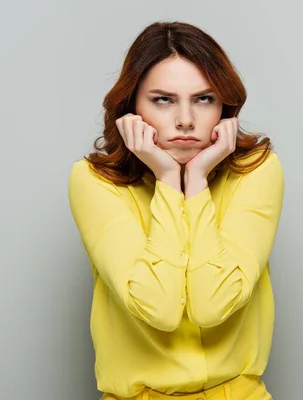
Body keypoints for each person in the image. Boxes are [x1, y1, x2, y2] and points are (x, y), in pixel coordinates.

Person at [68, 21, 284, 400]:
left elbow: (213, 306)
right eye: (163, 100)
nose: (185, 119)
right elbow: (159, 309)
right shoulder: (93, 181)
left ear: (224, 106)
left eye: (204, 99)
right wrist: (169, 178)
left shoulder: (256, 171)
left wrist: (196, 179)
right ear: (132, 106)